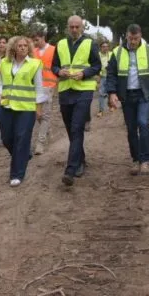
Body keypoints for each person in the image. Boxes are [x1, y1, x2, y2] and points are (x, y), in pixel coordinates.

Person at [106, 24, 149, 176]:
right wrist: (112, 92)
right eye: (130, 38)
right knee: (131, 128)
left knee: (143, 123)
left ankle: (144, 161)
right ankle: (135, 159)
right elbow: (111, 73)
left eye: (136, 38)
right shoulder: (117, 52)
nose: (133, 42)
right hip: (126, 95)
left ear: (140, 36)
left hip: (144, 94)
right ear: (126, 36)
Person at [52, 15, 101, 187]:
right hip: (66, 90)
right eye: (71, 27)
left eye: (77, 27)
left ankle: (71, 169)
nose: (74, 29)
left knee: (77, 127)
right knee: (70, 129)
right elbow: (54, 66)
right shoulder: (61, 44)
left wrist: (84, 73)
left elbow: (97, 66)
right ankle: (80, 158)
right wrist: (59, 72)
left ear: (82, 27)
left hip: (84, 90)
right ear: (67, 27)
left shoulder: (90, 43)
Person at [0, 36, 48, 186]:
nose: (23, 48)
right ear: (13, 48)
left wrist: (38, 108)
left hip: (26, 108)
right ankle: (24, 155)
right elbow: (0, 83)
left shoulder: (35, 64)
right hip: (7, 106)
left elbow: (39, 88)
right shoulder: (5, 64)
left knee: (21, 138)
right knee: (6, 138)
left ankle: (16, 174)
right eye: (20, 46)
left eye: (26, 45)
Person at [31, 30, 58, 155]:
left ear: (43, 37)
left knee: (45, 115)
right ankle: (47, 131)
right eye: (34, 40)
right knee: (38, 114)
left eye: (37, 40)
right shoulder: (33, 52)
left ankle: (40, 144)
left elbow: (58, 66)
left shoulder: (54, 50)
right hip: (35, 87)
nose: (35, 42)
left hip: (49, 85)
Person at [96, 39, 113, 118]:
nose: (105, 48)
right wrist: (97, 76)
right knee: (101, 93)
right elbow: (94, 66)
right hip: (102, 76)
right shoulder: (97, 55)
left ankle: (110, 105)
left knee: (110, 92)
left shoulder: (111, 54)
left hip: (111, 76)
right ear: (100, 47)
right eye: (103, 47)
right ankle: (101, 110)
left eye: (107, 46)